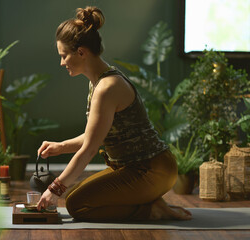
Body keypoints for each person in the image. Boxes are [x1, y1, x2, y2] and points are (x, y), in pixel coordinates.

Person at [36, 6, 192, 222]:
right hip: (131, 168)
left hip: (151, 170)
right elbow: (98, 135)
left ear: (81, 52)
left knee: (75, 205)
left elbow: (90, 149)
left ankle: (151, 210)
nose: (62, 62)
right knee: (73, 195)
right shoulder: (98, 82)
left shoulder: (107, 87)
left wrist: (54, 189)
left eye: (64, 56)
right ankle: (150, 201)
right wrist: (61, 147)